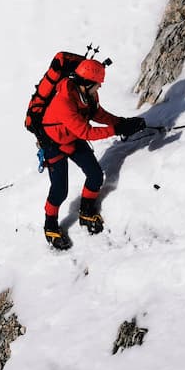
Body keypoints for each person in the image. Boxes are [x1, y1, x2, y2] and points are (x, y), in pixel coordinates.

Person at [39, 59, 145, 250]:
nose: (99, 88)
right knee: (59, 189)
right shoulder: (64, 101)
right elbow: (86, 132)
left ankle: (86, 211)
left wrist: (122, 122)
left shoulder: (88, 95)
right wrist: (117, 129)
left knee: (95, 175)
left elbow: (98, 114)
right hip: (53, 144)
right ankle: (50, 225)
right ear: (87, 83)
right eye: (97, 85)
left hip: (72, 136)